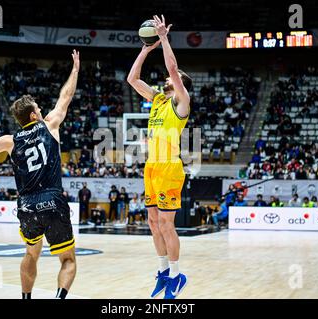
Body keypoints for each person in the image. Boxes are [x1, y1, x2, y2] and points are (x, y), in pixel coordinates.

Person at [0, 50, 80, 299]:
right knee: (67, 259)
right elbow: (65, 97)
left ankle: (25, 298)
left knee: (31, 253)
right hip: (53, 200)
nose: (42, 109)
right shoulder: (50, 124)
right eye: (38, 108)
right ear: (34, 115)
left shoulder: (10, 140)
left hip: (28, 204)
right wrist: (75, 69)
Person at [127, 14, 191, 299]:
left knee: (167, 224)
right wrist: (146, 48)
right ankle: (164, 272)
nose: (167, 78)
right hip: (152, 167)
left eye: (171, 80)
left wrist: (164, 38)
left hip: (169, 168)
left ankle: (178, 276)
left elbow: (174, 69)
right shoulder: (157, 99)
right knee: (152, 223)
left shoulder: (181, 103)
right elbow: (132, 78)